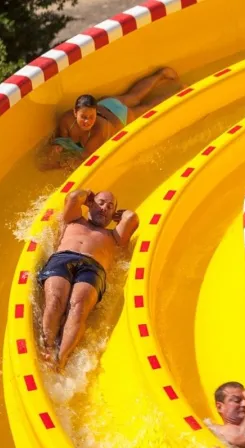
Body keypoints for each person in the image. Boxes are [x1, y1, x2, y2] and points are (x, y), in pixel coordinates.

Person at [37, 189, 139, 370]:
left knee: (78, 307)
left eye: (110, 207)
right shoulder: (72, 220)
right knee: (55, 301)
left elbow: (131, 218)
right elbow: (74, 197)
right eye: (100, 203)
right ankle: (47, 347)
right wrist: (89, 194)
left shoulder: (113, 236)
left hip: (93, 268)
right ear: (90, 203)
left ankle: (60, 358)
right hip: (63, 259)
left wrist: (122, 215)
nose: (104, 208)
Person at [42, 67, 182, 169]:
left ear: (95, 113)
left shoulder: (99, 130)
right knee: (133, 97)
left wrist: (56, 165)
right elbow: (61, 140)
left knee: (146, 107)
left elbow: (83, 161)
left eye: (91, 117)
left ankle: (179, 91)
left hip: (119, 117)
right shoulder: (66, 120)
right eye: (83, 117)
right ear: (74, 113)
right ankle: (161, 74)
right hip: (105, 104)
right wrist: (56, 147)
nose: (87, 121)